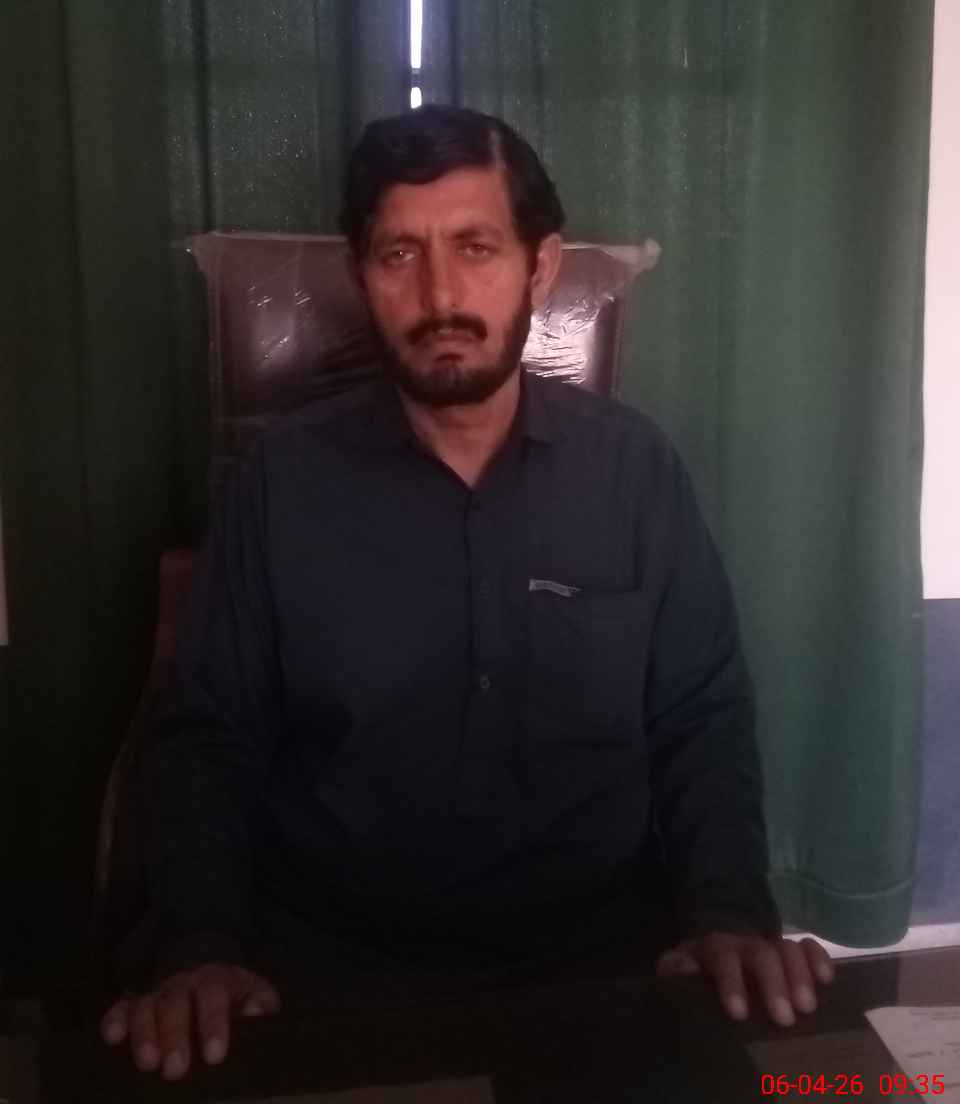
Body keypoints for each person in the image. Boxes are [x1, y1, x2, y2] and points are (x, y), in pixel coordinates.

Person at [102, 105, 833, 1079]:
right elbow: (210, 734)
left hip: (603, 958)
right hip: (330, 970)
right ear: (361, 275)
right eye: (399, 254)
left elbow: (700, 714)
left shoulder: (634, 473)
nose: (440, 294)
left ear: (541, 266)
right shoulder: (280, 485)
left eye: (477, 247)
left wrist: (729, 912)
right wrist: (199, 945)